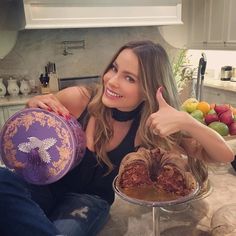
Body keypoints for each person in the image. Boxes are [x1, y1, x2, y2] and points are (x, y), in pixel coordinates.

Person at [0, 40, 234, 236]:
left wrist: (187, 121)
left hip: (88, 201)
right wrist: (32, 107)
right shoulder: (78, 99)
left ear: (150, 89)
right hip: (43, 184)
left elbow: (224, 155)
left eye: (129, 78)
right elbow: (27, 134)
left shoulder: (149, 127)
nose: (111, 81)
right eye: (113, 68)